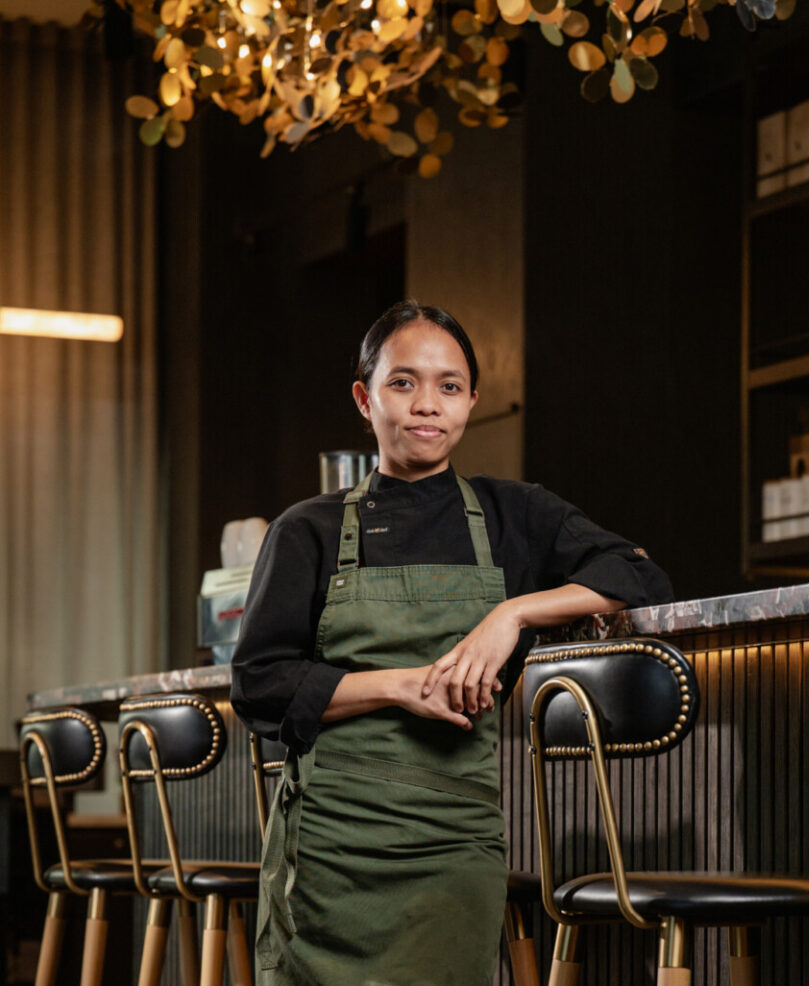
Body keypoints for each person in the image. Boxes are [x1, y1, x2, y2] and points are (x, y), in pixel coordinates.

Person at [231, 300, 673, 986]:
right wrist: (401, 686)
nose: (426, 405)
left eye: (449, 385)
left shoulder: (512, 514)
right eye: (403, 382)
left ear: (470, 401)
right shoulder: (307, 530)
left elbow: (638, 575)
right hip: (333, 845)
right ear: (365, 399)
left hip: (455, 839)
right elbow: (259, 685)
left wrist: (513, 615)